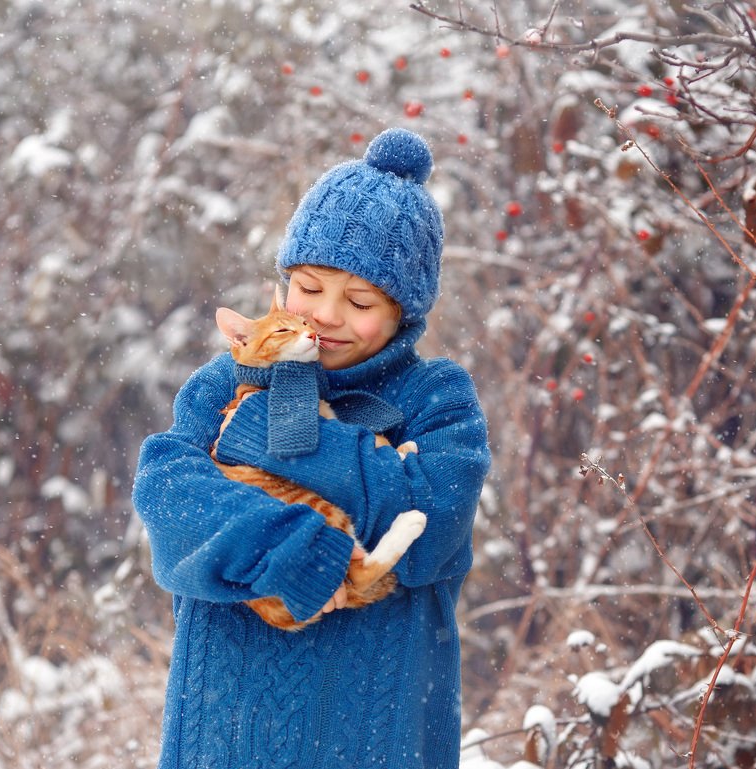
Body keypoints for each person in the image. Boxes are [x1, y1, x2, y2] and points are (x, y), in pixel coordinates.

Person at [132, 128, 491, 769]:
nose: (325, 315)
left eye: (358, 301)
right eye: (308, 286)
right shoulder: (228, 378)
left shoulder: (437, 397)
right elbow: (168, 495)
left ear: (403, 315)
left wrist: (269, 432)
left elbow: (432, 526)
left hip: (375, 729)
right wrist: (287, 548)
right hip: (228, 727)